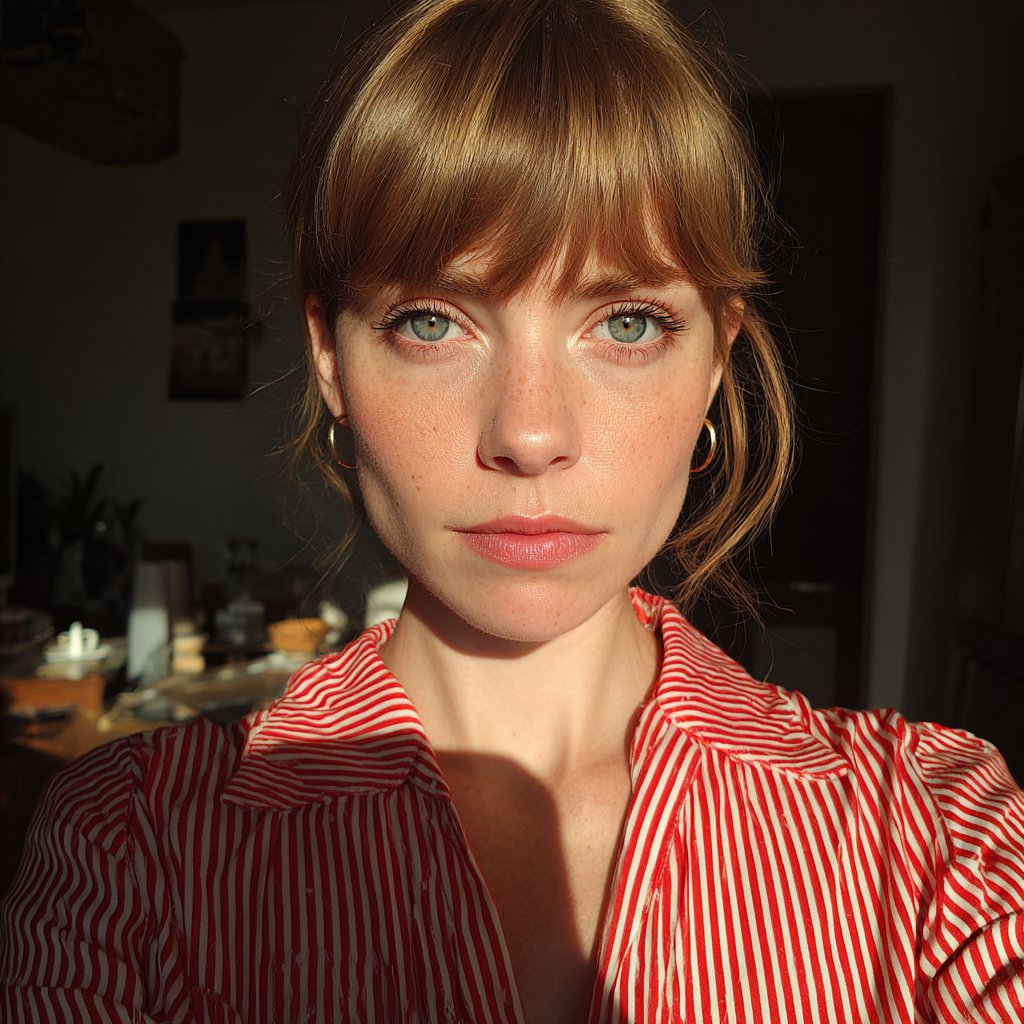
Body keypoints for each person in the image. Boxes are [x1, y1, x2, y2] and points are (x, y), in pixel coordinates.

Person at [3, 0, 1023, 1020]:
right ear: (331, 359)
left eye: (626, 321)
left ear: (716, 356)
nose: (530, 434)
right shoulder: (128, 847)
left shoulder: (939, 838)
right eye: (432, 321)